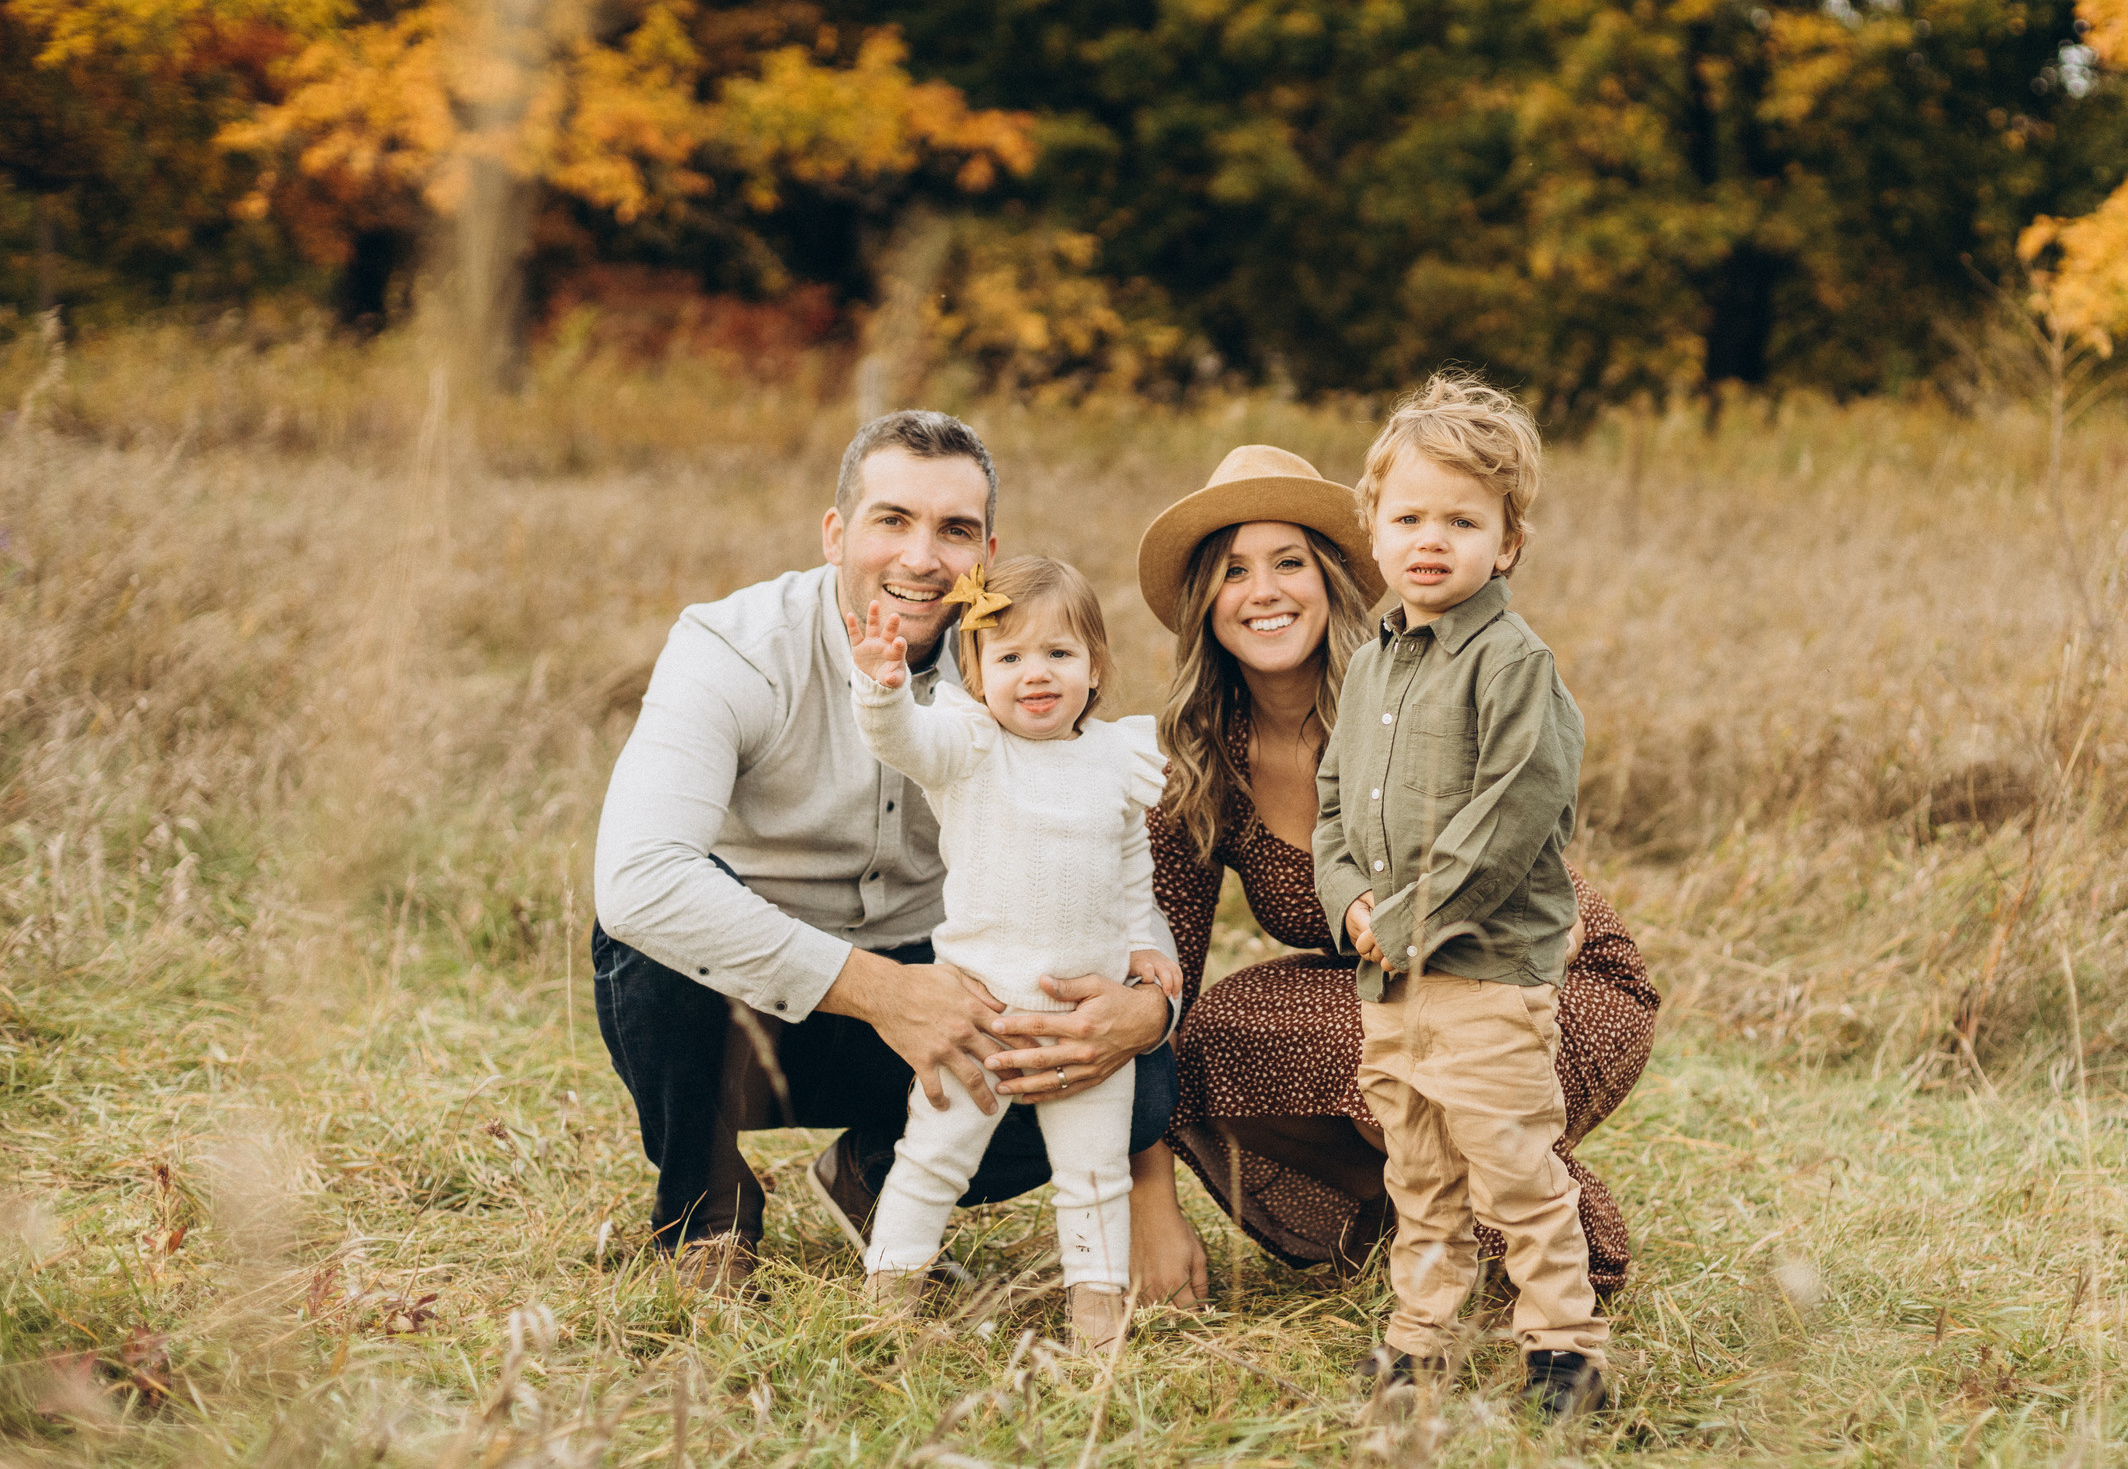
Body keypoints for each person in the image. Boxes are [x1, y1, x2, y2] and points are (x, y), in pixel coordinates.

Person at [590, 411, 1186, 1299]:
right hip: (749, 1009)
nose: (921, 557)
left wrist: (1151, 1001)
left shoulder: (1024, 668)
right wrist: (885, 992)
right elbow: (637, 879)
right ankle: (706, 1212)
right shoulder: (731, 647)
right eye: (892, 520)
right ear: (837, 533)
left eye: (954, 530)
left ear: (988, 549)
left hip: (950, 992)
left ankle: (874, 1174)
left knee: (1134, 1080)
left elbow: (1104, 852)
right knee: (652, 937)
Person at [1135, 444, 1656, 1331]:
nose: (1262, 590)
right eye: (1232, 571)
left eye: (1289, 562)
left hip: (1534, 967)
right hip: (1382, 983)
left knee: (1420, 1054)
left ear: (1338, 575)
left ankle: (1559, 1259)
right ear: (1204, 604)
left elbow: (1518, 853)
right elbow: (1161, 982)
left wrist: (1496, 938)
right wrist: (1148, 1203)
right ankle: (1409, 1222)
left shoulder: (1407, 681)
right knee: (1211, 1033)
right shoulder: (1199, 754)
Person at [1316, 374, 1609, 1417]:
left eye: (1461, 520)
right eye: (1407, 518)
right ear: (1374, 531)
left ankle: (1564, 1352)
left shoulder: (1511, 663)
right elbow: (1335, 798)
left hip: (1480, 976)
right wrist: (1348, 899)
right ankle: (1417, 1340)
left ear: (1508, 541)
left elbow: (1514, 814)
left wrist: (1408, 922)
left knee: (1515, 1170)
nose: (1429, 540)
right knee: (1417, 1169)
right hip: (1388, 981)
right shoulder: (1368, 668)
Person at [847, 558, 1181, 1347]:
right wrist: (885, 687)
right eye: (1010, 657)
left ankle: (1096, 1321)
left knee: (1094, 1178)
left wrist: (1146, 945)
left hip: (1084, 1019)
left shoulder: (1116, 760)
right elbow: (903, 742)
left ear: (1094, 668)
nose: (1036, 674)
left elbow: (1132, 872)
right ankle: (887, 1297)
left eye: (1059, 655)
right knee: (931, 1159)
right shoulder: (968, 747)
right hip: (978, 1014)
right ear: (976, 673)